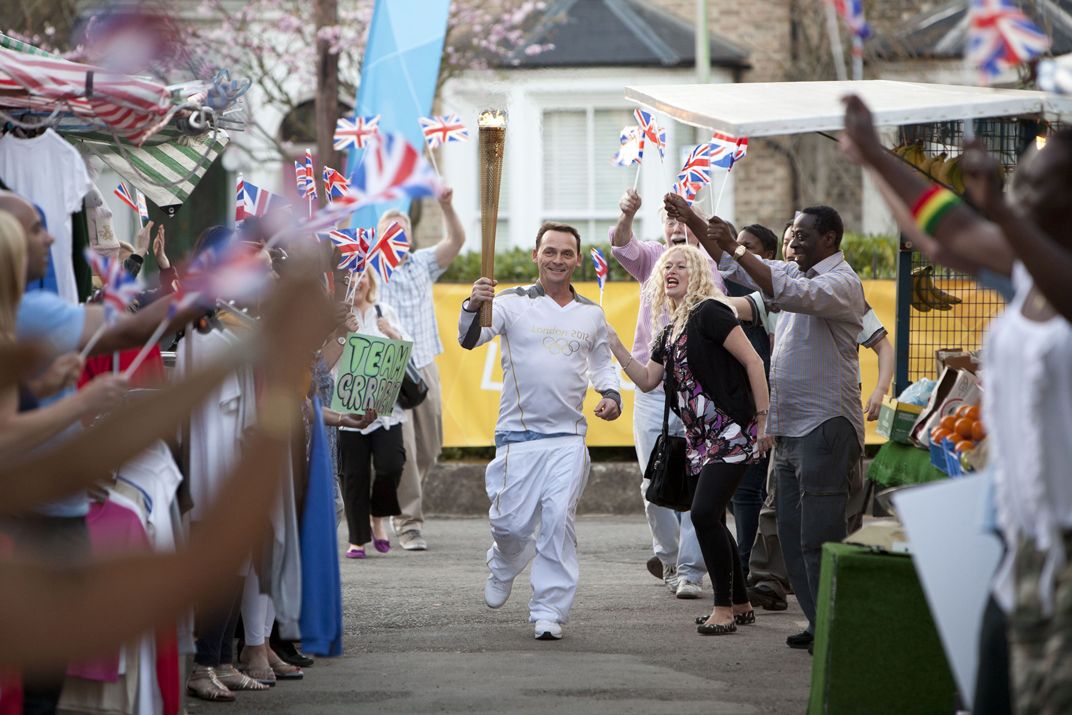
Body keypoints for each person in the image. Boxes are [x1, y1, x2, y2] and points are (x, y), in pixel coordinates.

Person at [840, 94, 1072, 715]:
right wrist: (871, 154)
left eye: (1036, 186)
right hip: (1025, 549)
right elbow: (946, 238)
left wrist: (1000, 208)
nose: (1019, 194)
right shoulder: (1026, 273)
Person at [668, 194, 866, 651]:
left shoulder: (841, 282)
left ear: (830, 238)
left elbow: (776, 286)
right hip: (791, 426)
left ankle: (835, 631)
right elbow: (737, 272)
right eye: (791, 230)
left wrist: (736, 250)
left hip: (825, 425)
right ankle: (819, 625)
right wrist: (694, 220)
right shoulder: (793, 273)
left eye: (801, 232)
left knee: (819, 537)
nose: (792, 237)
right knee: (792, 539)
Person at [459, 222, 621, 641]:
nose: (558, 260)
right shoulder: (510, 303)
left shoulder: (591, 313)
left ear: (577, 260)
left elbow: (602, 362)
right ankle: (505, 557)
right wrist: (472, 305)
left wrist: (611, 394)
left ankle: (549, 609)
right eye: (550, 251)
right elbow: (470, 340)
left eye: (567, 253)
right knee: (510, 525)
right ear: (536, 255)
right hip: (518, 437)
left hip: (568, 438)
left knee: (557, 520)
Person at [606, 244, 771, 635]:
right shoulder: (669, 329)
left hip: (732, 432)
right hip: (702, 441)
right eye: (667, 267)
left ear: (697, 273)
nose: (671, 271)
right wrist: (615, 345)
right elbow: (648, 380)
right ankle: (743, 602)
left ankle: (724, 608)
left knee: (700, 515)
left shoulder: (711, 312)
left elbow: (754, 361)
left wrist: (763, 422)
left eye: (681, 265)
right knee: (711, 516)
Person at [610, 188, 729, 599]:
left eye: (685, 218)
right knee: (654, 482)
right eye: (670, 219)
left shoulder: (717, 265)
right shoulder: (653, 259)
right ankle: (669, 557)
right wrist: (627, 213)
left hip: (702, 395)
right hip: (653, 390)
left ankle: (693, 572)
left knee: (698, 484)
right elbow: (621, 243)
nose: (677, 226)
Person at [378, 186, 465, 551]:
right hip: (389, 367)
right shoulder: (371, 267)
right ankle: (408, 523)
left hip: (424, 361)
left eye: (403, 230)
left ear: (411, 236)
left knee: (429, 448)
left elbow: (456, 241)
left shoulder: (423, 262)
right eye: (391, 230)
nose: (398, 235)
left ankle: (393, 499)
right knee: (406, 450)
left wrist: (447, 205)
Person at [336, 270, 410, 560]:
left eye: (361, 275)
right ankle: (357, 539)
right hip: (348, 404)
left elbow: (405, 352)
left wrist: (392, 333)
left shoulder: (385, 311)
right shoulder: (337, 314)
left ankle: (378, 518)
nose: (357, 281)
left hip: (384, 407)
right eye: (350, 276)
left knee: (391, 465)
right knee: (353, 476)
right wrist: (340, 331)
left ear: (369, 280)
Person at [720, 224, 779, 584]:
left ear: (768, 256)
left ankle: (747, 570)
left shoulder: (773, 292)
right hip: (732, 400)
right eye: (736, 244)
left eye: (748, 246)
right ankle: (752, 566)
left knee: (748, 490)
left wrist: (764, 412)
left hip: (764, 404)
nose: (739, 251)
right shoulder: (730, 286)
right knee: (734, 491)